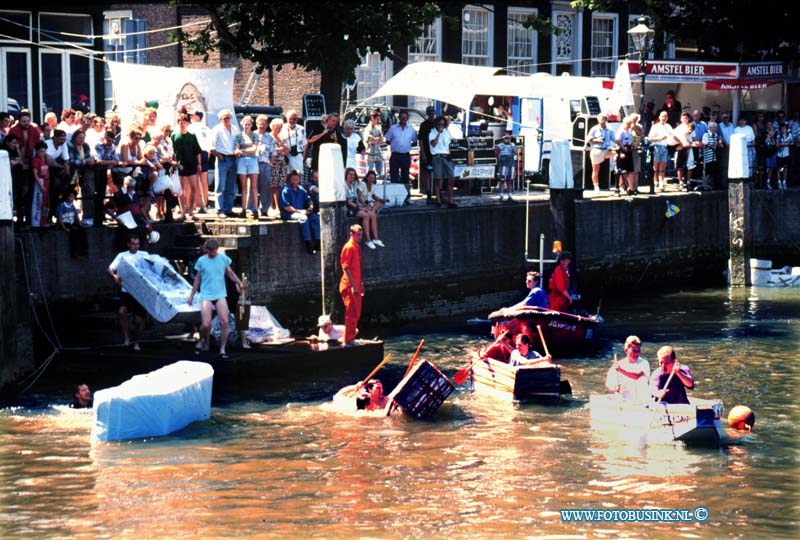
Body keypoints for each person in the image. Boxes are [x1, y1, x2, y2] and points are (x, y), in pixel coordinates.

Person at [188, 239, 243, 359]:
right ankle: (201, 340)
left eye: (214, 250)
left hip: (220, 294)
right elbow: (197, 279)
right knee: (206, 324)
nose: (212, 253)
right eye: (210, 250)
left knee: (225, 322)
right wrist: (191, 295)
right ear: (207, 249)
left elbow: (230, 273)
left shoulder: (223, 259)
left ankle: (222, 348)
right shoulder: (201, 260)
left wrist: (239, 282)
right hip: (206, 294)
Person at [108, 234, 149, 350]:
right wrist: (114, 276)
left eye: (138, 244)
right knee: (122, 312)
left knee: (138, 320)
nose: (136, 246)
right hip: (126, 290)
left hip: (140, 291)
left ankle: (137, 341)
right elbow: (110, 268)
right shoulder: (122, 256)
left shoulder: (144, 255)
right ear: (128, 244)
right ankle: (126, 338)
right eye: (133, 244)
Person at [279, 170, 320, 254]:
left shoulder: (301, 189)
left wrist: (310, 208)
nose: (295, 182)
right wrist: (300, 211)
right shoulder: (285, 189)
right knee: (304, 218)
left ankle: (318, 241)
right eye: (293, 179)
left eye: (297, 180)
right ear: (290, 179)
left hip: (300, 211)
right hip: (288, 213)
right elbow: (286, 207)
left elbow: (309, 200)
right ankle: (308, 243)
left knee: (315, 218)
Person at [172, 111, 202, 220]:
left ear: (187, 123)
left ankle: (191, 212)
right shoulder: (174, 136)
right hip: (179, 165)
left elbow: (197, 151)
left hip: (191, 164)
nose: (182, 123)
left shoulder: (192, 136)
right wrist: (174, 164)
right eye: (180, 121)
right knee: (180, 190)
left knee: (194, 187)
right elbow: (172, 152)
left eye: (184, 122)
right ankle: (183, 212)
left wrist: (199, 163)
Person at [210, 109, 239, 218]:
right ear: (220, 119)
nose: (227, 120)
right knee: (220, 185)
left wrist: (237, 151)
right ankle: (220, 210)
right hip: (222, 158)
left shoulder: (235, 129)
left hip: (233, 158)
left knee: (231, 186)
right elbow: (211, 146)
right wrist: (219, 156)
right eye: (224, 118)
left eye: (228, 118)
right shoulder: (216, 129)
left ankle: (228, 209)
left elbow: (238, 142)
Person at [384, 110, 417, 205]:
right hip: (395, 155)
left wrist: (406, 145)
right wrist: (395, 144)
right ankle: (394, 198)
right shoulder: (393, 128)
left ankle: (407, 197)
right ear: (399, 118)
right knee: (394, 177)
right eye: (402, 117)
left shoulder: (411, 129)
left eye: (405, 118)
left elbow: (415, 141)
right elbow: (387, 140)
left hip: (405, 155)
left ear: (407, 119)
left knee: (405, 177)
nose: (403, 119)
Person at [604, 335, 651, 403]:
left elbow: (636, 376)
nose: (636, 353)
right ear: (626, 350)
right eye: (634, 351)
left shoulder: (644, 363)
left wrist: (620, 370)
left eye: (638, 351)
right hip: (626, 404)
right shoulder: (618, 365)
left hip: (643, 403)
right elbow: (609, 384)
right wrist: (615, 388)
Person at [340, 224, 364, 346]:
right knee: (351, 313)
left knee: (356, 312)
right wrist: (354, 285)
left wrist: (360, 284)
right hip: (349, 285)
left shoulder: (356, 247)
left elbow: (357, 269)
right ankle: (348, 340)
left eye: (361, 235)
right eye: (358, 235)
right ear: (351, 234)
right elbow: (346, 268)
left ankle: (350, 337)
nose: (360, 237)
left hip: (356, 284)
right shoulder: (349, 247)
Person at [429, 115, 458, 208]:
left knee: (451, 178)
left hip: (446, 156)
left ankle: (450, 201)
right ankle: (438, 200)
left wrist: (451, 159)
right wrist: (438, 133)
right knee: (438, 179)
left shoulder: (446, 133)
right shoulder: (432, 132)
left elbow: (447, 146)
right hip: (437, 156)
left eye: (443, 124)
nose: (441, 126)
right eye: (439, 124)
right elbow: (433, 144)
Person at [235, 115, 260, 218]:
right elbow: (236, 150)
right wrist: (241, 151)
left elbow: (254, 149)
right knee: (244, 187)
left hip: (253, 160)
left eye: (249, 124)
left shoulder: (254, 135)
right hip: (242, 161)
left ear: (251, 125)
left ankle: (255, 209)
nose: (247, 126)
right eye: (245, 124)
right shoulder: (239, 136)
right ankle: (244, 209)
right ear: (242, 125)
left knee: (254, 187)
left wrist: (242, 151)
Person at [188, 110, 212, 212]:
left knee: (196, 180)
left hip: (195, 153)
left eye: (192, 115)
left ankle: (198, 204)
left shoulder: (190, 127)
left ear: (197, 117)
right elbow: (210, 143)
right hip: (205, 153)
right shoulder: (207, 128)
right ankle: (204, 204)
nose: (191, 117)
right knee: (204, 180)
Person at [587, 113, 616, 192]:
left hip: (606, 149)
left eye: (604, 119)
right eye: (601, 119)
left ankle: (616, 167)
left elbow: (614, 139)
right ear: (598, 120)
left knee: (616, 152)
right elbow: (588, 140)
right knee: (596, 170)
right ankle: (596, 186)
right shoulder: (594, 129)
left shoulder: (609, 129)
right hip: (596, 149)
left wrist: (619, 145)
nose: (602, 121)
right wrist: (597, 140)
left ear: (606, 120)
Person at [56, 190, 88, 257]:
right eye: (71, 196)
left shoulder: (72, 206)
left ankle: (84, 250)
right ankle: (74, 252)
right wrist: (64, 228)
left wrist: (80, 224)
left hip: (72, 223)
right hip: (65, 223)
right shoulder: (62, 205)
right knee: (74, 232)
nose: (72, 198)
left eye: (73, 197)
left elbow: (76, 216)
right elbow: (59, 218)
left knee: (82, 231)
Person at [648, 110, 674, 192]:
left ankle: (661, 183)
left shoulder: (669, 126)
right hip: (656, 147)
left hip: (665, 147)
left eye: (665, 116)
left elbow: (673, 135)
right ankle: (655, 182)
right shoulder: (655, 126)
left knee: (663, 166)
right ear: (659, 117)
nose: (664, 118)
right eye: (662, 116)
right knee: (656, 166)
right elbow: (650, 138)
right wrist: (660, 138)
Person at [280, 109, 307, 175]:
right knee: (287, 175)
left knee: (297, 175)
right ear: (286, 118)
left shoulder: (301, 129)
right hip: (286, 155)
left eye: (294, 119)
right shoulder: (281, 128)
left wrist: (304, 155)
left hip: (298, 154)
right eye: (290, 118)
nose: (292, 120)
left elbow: (305, 143)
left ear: (297, 119)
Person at [30, 141, 50, 229]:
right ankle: (36, 223)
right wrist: (41, 185)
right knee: (38, 202)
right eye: (41, 151)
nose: (43, 153)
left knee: (45, 203)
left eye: (44, 151)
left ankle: (43, 221)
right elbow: (35, 174)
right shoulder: (36, 160)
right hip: (40, 182)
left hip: (45, 181)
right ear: (37, 151)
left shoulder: (44, 160)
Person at [362, 110, 385, 179]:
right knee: (370, 171)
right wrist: (376, 139)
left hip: (378, 152)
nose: (378, 121)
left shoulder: (378, 128)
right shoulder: (367, 129)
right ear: (372, 118)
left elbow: (382, 139)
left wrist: (376, 139)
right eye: (377, 119)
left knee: (379, 172)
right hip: (370, 153)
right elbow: (369, 140)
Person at [702, 122, 724, 189]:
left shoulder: (716, 135)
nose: (714, 129)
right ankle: (705, 185)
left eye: (715, 127)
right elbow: (705, 143)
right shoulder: (706, 134)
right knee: (708, 171)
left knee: (713, 171)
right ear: (709, 128)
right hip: (707, 157)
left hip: (714, 157)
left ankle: (711, 185)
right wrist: (713, 146)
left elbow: (716, 143)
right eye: (712, 127)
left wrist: (719, 145)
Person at [495, 133, 516, 202]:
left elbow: (516, 152)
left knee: (509, 181)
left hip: (510, 164)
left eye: (508, 138)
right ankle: (501, 195)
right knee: (502, 181)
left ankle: (510, 196)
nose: (507, 139)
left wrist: (510, 145)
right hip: (503, 164)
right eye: (506, 138)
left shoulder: (512, 145)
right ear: (503, 139)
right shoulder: (499, 145)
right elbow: (496, 154)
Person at [776, 122, 793, 190]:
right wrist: (780, 144)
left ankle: (784, 182)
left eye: (784, 128)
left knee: (785, 168)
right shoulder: (778, 136)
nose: (783, 129)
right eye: (782, 128)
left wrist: (787, 144)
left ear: (786, 129)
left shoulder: (789, 135)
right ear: (780, 129)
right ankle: (779, 182)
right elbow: (776, 144)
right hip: (779, 154)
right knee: (779, 168)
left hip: (786, 154)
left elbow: (792, 143)